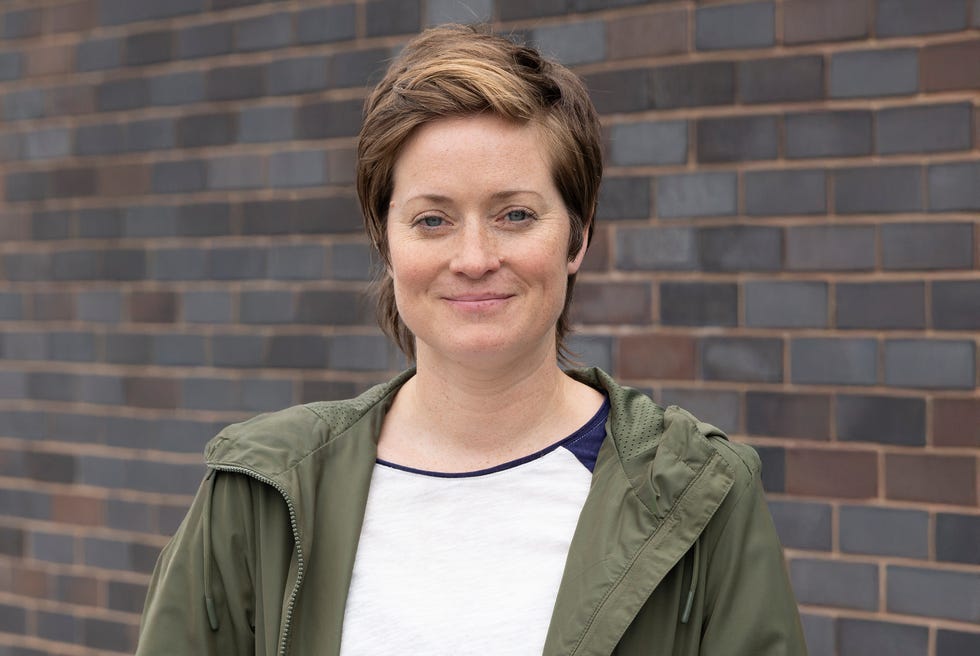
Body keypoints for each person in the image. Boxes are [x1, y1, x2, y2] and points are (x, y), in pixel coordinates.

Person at [135, 24, 807, 656]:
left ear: (578, 235)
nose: (475, 258)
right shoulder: (257, 493)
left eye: (515, 214)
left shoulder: (702, 493)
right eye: (433, 220)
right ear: (386, 241)